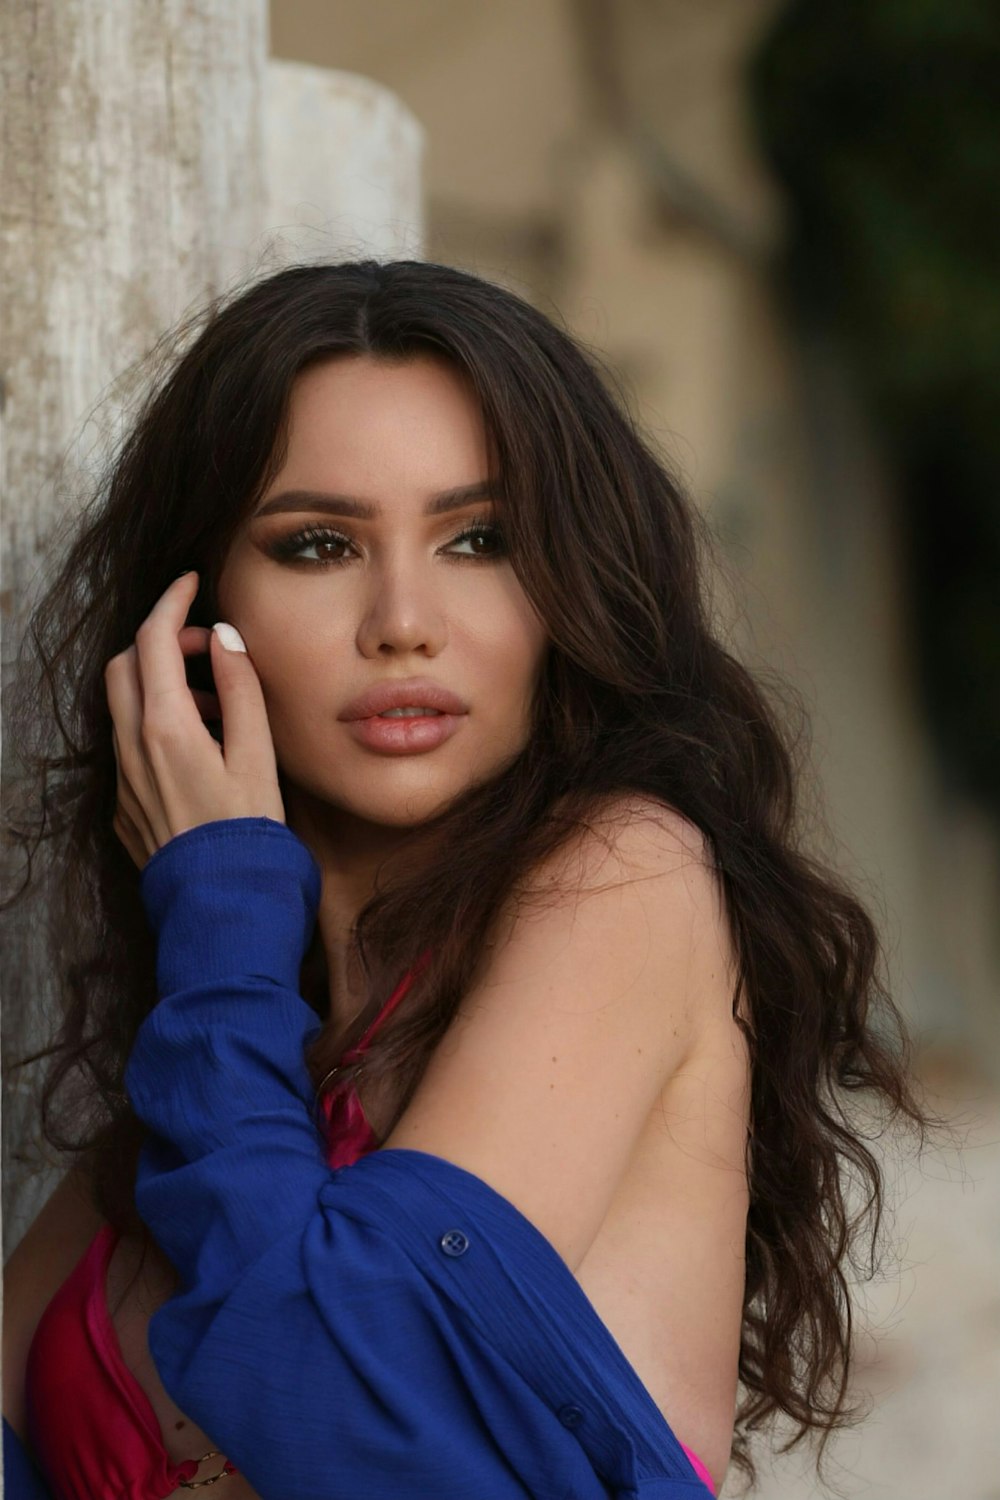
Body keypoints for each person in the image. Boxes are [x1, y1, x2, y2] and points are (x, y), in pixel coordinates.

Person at [2, 260, 933, 1499]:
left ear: (570, 590)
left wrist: (219, 895)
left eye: (480, 540)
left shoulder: (624, 877)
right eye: (318, 544)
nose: (403, 620)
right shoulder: (216, 1045)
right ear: (192, 623)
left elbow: (340, 1405)